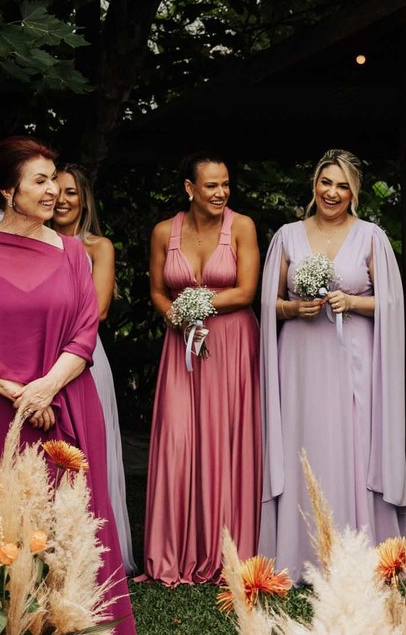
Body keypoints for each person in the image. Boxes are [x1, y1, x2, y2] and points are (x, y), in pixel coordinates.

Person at [0, 136, 136, 634]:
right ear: (8, 190)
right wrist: (23, 396)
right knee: (4, 527)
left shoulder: (73, 252)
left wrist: (47, 387)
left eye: (54, 180)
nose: (53, 191)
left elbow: (85, 333)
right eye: (40, 181)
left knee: (71, 526)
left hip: (68, 400)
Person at [259, 149, 406, 579]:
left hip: (352, 357)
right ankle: (300, 550)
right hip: (300, 358)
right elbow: (269, 303)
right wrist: (293, 309)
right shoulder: (287, 236)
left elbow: (391, 303)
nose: (332, 192)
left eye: (343, 186)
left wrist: (353, 302)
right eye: (326, 182)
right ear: (314, 185)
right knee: (304, 441)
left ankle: (355, 546)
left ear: (354, 193)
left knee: (352, 442)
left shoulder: (371, 237)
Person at [142, 153, 262, 585]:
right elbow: (158, 291)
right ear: (189, 189)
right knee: (178, 439)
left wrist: (198, 302)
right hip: (182, 346)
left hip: (231, 347)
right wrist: (174, 314)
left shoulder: (242, 227)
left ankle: (226, 547)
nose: (221, 193)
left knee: (225, 439)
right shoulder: (164, 232)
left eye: (225, 184)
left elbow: (246, 291)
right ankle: (176, 551)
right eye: (211, 185)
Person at [51, 163, 136, 574]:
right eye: (56, 191)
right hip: (40, 355)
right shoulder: (34, 241)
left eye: (71, 192)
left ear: (84, 200)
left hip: (84, 352)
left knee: (90, 448)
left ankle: (99, 550)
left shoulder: (98, 248)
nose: (62, 199)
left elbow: (98, 310)